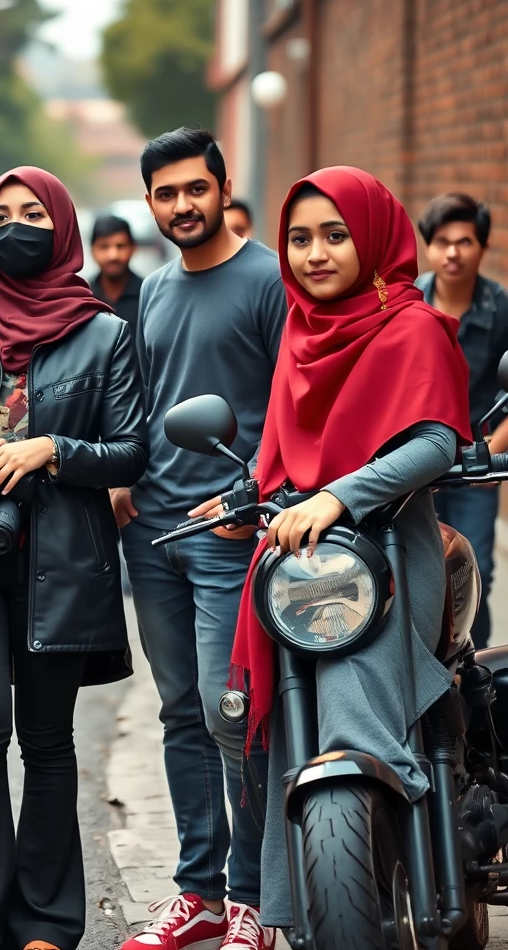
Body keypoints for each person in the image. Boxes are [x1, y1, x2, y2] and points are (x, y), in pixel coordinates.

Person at [205, 166, 471, 928]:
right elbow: (287, 448)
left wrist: (338, 496)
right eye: (299, 239)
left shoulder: (410, 324)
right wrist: (247, 494)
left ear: (374, 237)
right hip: (304, 559)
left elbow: (434, 445)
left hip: (386, 552)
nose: (315, 254)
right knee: (250, 712)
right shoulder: (300, 328)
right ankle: (297, 902)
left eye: (334, 235)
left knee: (357, 683)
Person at [0, 166, 148, 950]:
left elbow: (133, 450)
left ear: (63, 228)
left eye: (32, 213)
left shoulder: (105, 332)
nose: (15, 226)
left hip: (64, 564)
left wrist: (54, 449)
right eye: (1, 214)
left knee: (46, 742)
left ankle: (45, 921)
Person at [114, 128, 286, 950]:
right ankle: (199, 895)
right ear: (150, 203)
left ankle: (253, 896)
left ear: (222, 187)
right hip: (157, 535)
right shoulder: (150, 291)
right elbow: (150, 404)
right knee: (180, 713)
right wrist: (123, 481)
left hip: (232, 536)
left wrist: (251, 488)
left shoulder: (268, 282)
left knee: (235, 716)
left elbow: (294, 407)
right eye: (165, 193)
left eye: (195, 188)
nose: (182, 205)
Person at [417, 192, 508, 649]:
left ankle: (482, 675)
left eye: (465, 241)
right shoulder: (409, 302)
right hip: (418, 461)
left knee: (476, 572)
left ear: (482, 246)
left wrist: (494, 450)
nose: (453, 252)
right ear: (429, 247)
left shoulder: (500, 308)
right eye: (442, 241)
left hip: (476, 463)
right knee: (422, 569)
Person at [89, 213, 143, 332]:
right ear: (92, 250)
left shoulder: (149, 295)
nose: (113, 255)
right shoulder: (84, 297)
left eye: (120, 246)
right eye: (104, 247)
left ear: (133, 248)